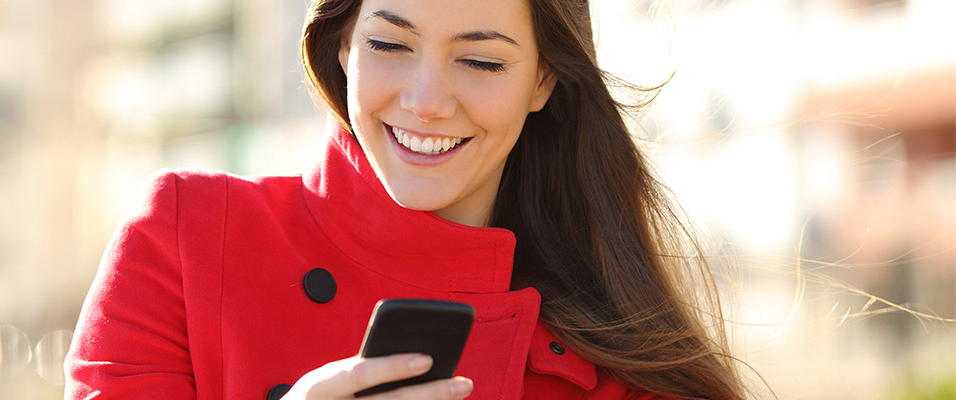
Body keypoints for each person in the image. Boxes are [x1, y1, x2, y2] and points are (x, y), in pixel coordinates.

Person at [66, 0, 747, 398]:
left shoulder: (614, 369)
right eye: (390, 44)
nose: (424, 102)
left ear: (543, 81)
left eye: (480, 61)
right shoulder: (186, 239)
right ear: (340, 47)